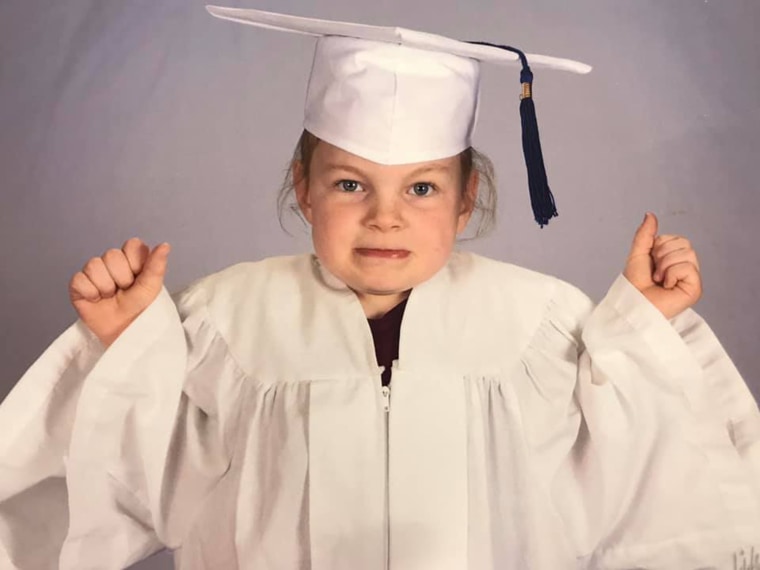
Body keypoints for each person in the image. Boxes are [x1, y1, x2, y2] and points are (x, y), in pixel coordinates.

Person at [1, 6, 759, 570]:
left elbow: (628, 474)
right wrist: (131, 344)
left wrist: (640, 331)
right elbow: (150, 478)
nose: (385, 216)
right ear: (304, 190)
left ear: (467, 200)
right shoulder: (228, 321)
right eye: (350, 183)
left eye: (423, 188)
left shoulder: (539, 323)